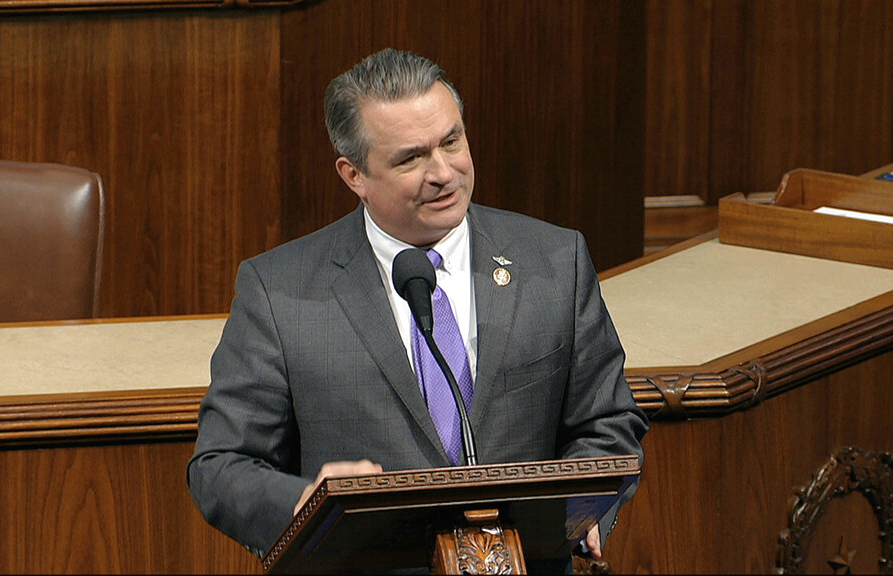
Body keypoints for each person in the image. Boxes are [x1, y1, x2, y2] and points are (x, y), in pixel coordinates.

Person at [186, 47, 648, 568]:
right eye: (410, 158)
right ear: (353, 174)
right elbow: (220, 466)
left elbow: (607, 423)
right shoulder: (278, 291)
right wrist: (305, 502)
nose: (443, 172)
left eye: (452, 141)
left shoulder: (555, 261)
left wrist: (577, 513)